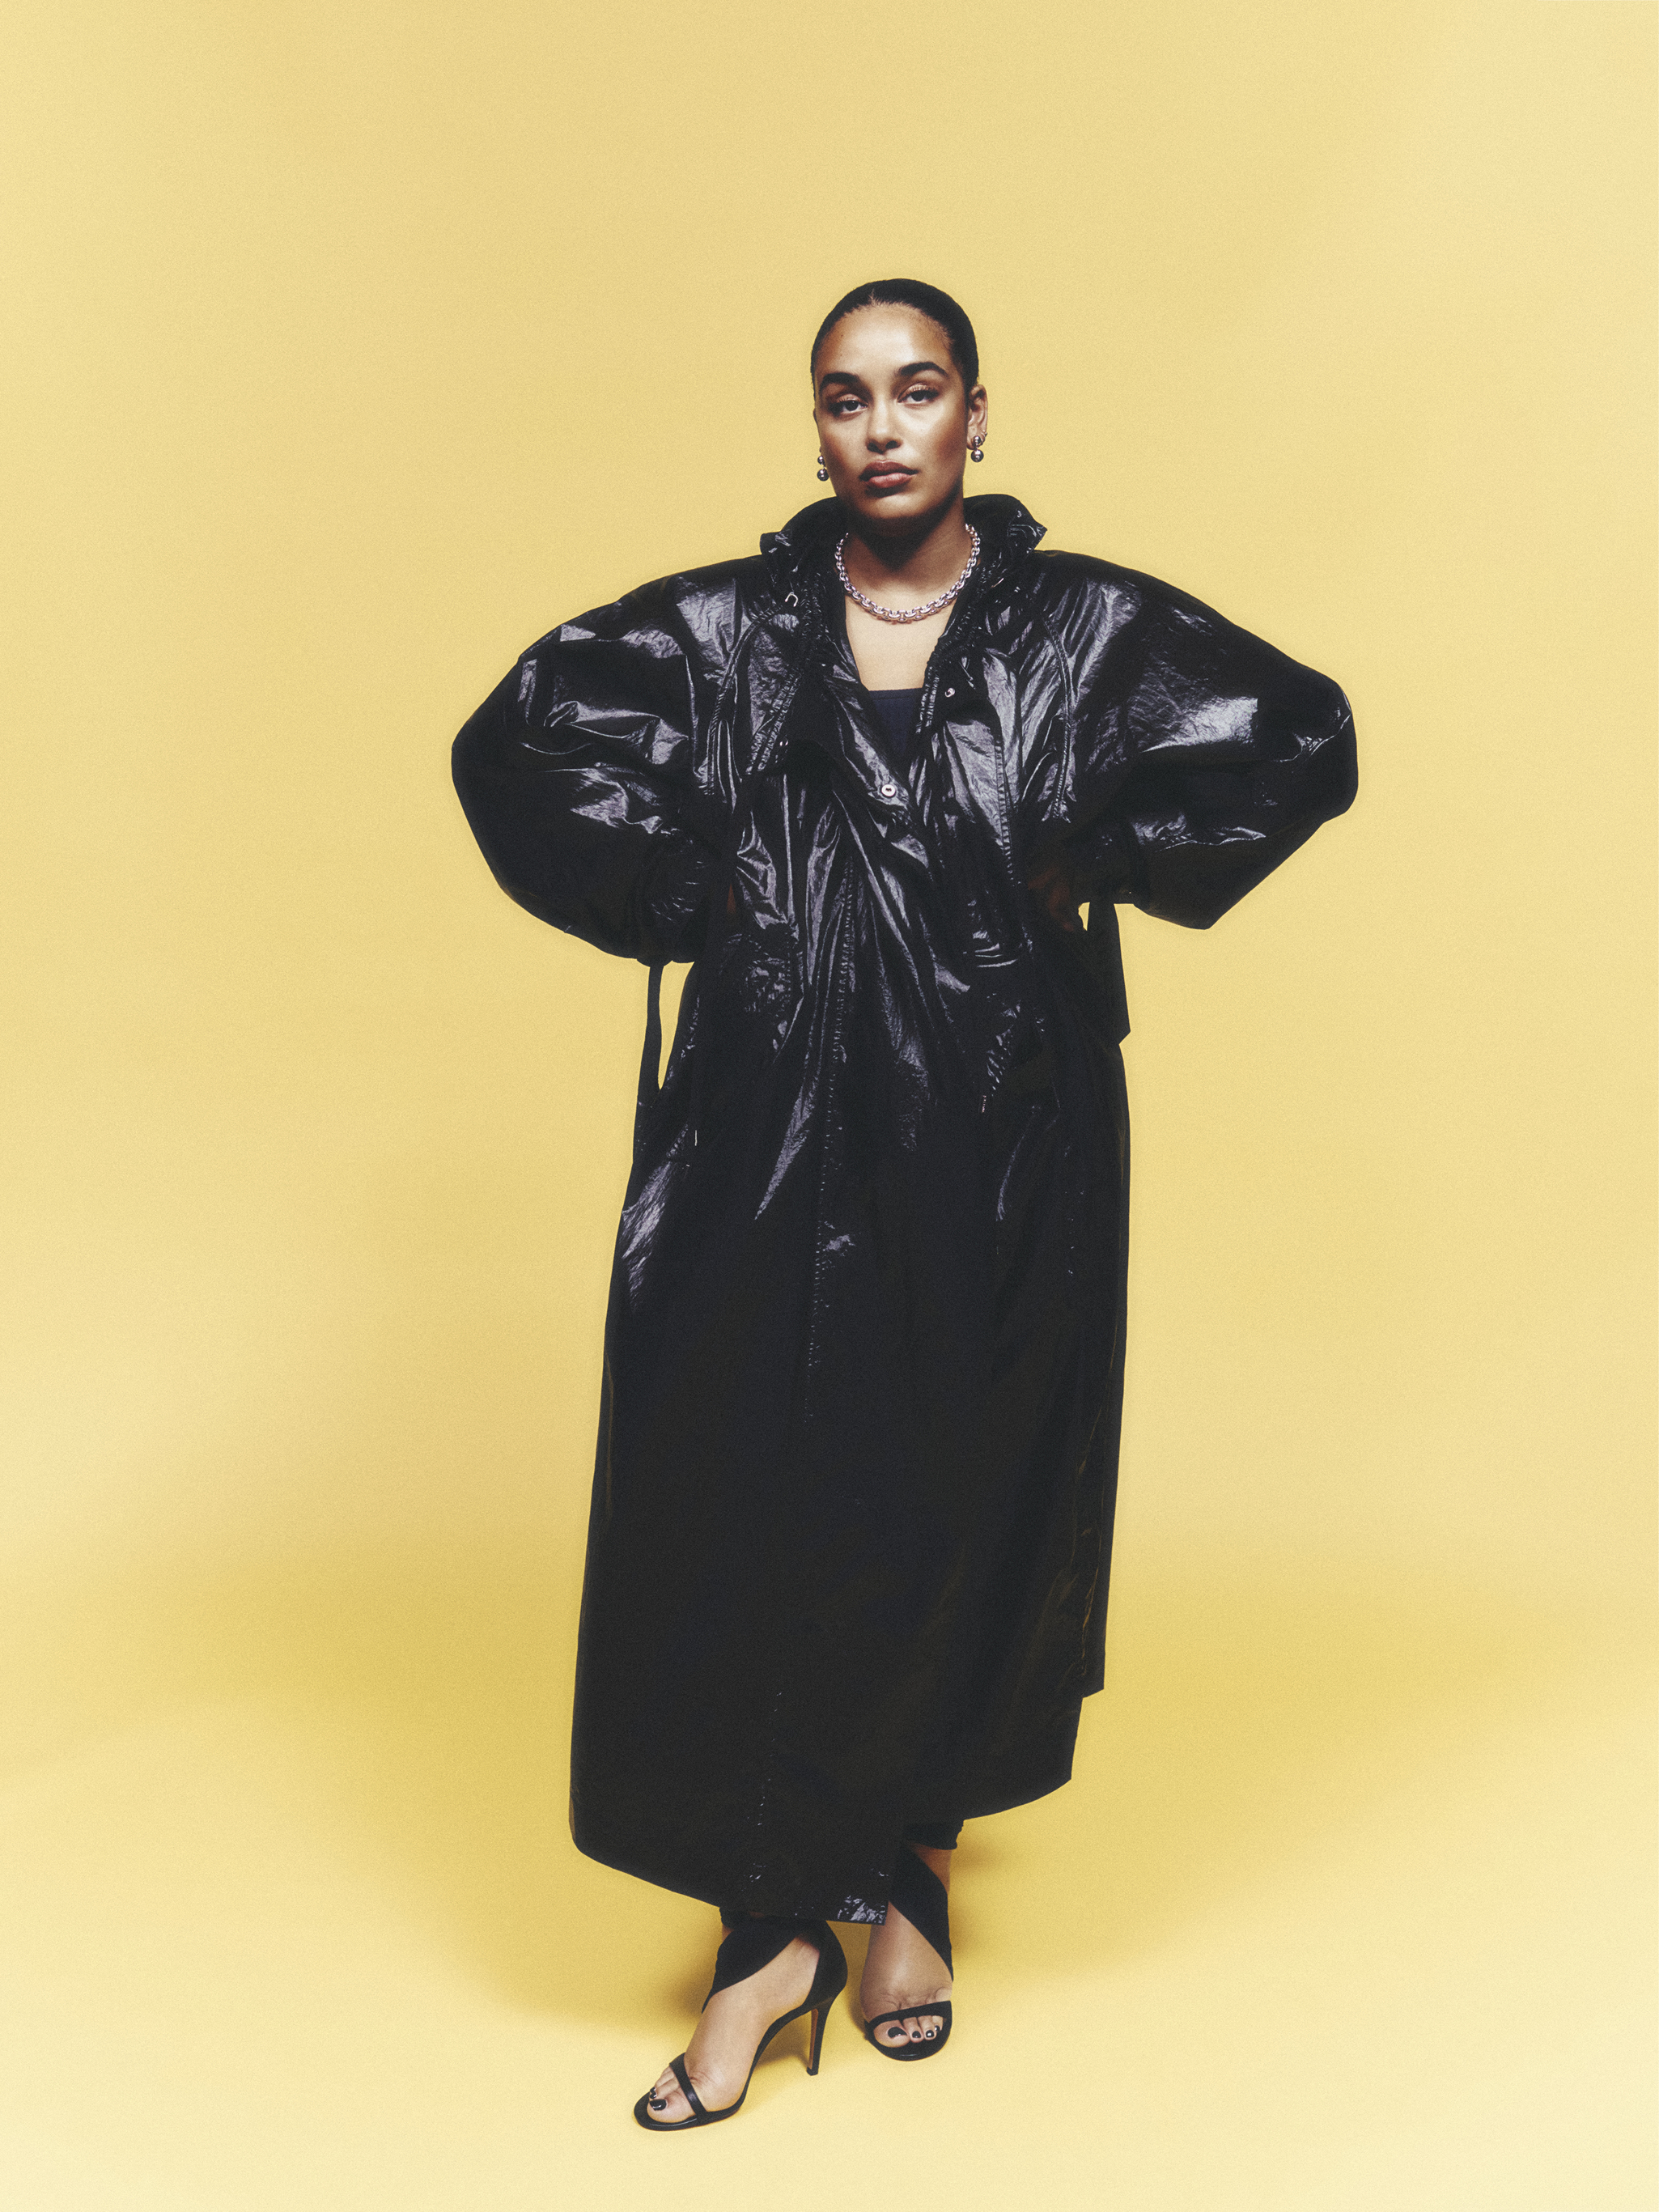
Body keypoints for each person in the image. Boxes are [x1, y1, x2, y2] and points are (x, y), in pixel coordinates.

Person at [452, 278, 1357, 2129]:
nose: (881, 426)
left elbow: (1298, 736)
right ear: (815, 428)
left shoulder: (1075, 624)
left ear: (973, 415)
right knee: (748, 1480)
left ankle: (907, 1873)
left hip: (999, 1121)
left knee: (964, 1472)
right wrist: (695, 889)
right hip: (764, 1119)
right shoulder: (725, 629)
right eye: (847, 396)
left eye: (916, 389)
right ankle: (768, 1925)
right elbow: (510, 739)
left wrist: (1083, 851)